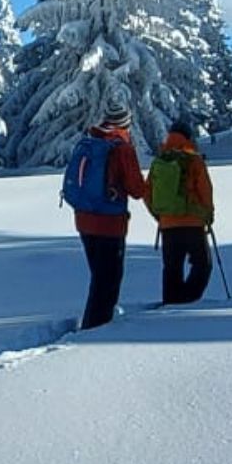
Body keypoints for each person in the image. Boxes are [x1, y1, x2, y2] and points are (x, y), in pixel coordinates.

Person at [64, 105, 150, 329]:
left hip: (83, 220)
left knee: (99, 277)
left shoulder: (88, 142)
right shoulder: (121, 148)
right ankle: (96, 329)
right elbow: (137, 189)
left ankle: (94, 323)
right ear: (126, 123)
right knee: (108, 280)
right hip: (110, 223)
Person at [147, 114, 218, 307]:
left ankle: (171, 303)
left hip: (168, 224)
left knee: (172, 267)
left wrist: (160, 215)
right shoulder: (193, 160)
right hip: (193, 222)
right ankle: (187, 300)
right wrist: (208, 215)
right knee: (203, 265)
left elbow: (148, 193)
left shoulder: (159, 161)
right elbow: (205, 190)